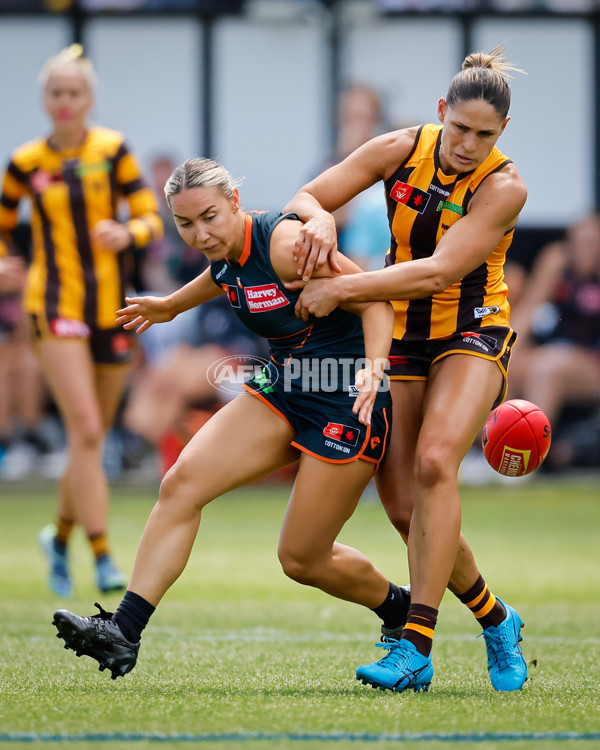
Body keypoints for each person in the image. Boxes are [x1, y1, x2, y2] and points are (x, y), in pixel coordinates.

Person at [51, 156, 412, 682]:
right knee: (180, 485)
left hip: (346, 397)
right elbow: (222, 275)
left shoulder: (286, 245)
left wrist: (375, 369)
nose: (199, 234)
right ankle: (122, 632)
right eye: (185, 223)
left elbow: (375, 300)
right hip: (285, 386)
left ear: (236, 204)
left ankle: (398, 609)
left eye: (210, 218)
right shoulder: (223, 253)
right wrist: (171, 306)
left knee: (302, 559)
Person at [283, 46, 529, 693]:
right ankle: (496, 617)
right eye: (460, 129)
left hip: (474, 332)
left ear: (501, 133)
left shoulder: (506, 188)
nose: (469, 144)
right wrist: (316, 225)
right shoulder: (397, 148)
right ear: (441, 113)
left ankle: (415, 647)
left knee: (434, 464)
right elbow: (310, 195)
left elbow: (440, 271)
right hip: (403, 337)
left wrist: (347, 289)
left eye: (485, 135)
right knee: (400, 509)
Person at [0, 44, 163, 596]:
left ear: (88, 98)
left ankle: (59, 534)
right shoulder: (26, 162)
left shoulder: (113, 151)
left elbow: (150, 218)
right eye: (56, 93)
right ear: (46, 100)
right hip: (54, 305)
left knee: (92, 439)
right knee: (88, 431)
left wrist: (128, 233)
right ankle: (101, 554)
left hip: (112, 309)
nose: (65, 101)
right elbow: (2, 223)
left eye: (74, 92)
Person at [507, 213, 600, 470]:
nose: (584, 250)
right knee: (509, 362)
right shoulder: (557, 263)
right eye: (579, 242)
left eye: (592, 243)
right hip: (553, 354)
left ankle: (528, 458)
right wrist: (504, 349)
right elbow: (528, 311)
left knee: (548, 366)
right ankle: (494, 452)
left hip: (591, 363)